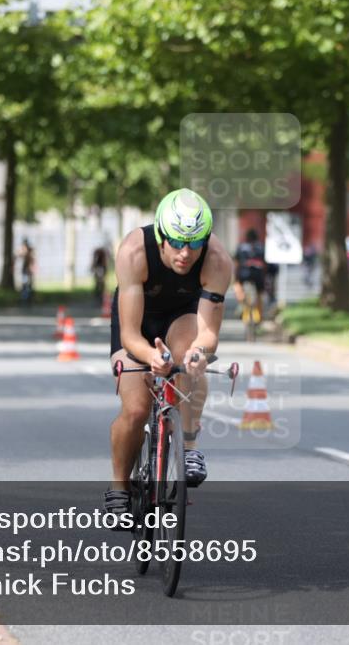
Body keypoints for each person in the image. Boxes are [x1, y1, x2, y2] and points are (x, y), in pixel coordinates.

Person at [104, 188, 233, 515]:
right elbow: (130, 335)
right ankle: (119, 486)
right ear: (161, 236)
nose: (185, 253)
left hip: (183, 315)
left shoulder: (217, 260)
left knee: (190, 359)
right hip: (139, 321)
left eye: (195, 243)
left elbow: (208, 332)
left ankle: (188, 446)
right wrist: (151, 357)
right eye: (176, 242)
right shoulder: (134, 251)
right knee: (136, 409)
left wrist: (199, 352)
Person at [233, 228, 267, 324]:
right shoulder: (262, 247)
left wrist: (235, 277)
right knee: (260, 294)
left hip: (244, 273)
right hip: (258, 274)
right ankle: (260, 315)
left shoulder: (241, 247)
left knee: (236, 285)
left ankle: (241, 302)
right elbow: (265, 264)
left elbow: (236, 263)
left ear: (246, 237)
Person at [17, 238, 36, 304]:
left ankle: (28, 299)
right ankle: (25, 299)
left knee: (28, 285)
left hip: (28, 271)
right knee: (25, 285)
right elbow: (18, 255)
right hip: (25, 271)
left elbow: (32, 260)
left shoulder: (29, 251)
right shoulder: (24, 251)